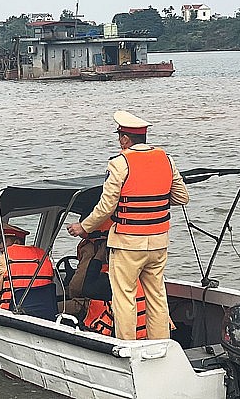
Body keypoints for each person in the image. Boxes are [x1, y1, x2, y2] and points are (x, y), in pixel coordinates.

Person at [66, 110, 189, 340]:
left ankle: (129, 348)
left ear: (124, 138)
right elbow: (182, 197)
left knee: (124, 297)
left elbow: (106, 208)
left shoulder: (119, 164)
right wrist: (155, 200)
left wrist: (84, 227)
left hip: (128, 244)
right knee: (157, 297)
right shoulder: (166, 159)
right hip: (159, 242)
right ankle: (160, 345)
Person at [0, 223, 57, 320]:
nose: (0, 246)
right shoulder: (44, 257)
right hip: (45, 312)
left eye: (3, 241)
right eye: (0, 242)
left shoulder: (4, 259)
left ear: (17, 242)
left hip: (11, 312)